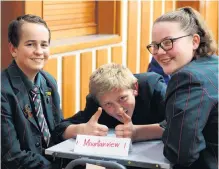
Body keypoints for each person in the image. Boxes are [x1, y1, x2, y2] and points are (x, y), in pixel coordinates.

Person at [146, 6, 218, 169]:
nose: (159, 52)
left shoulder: (187, 78)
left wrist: (169, 137)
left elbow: (180, 153)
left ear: (194, 41)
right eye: (155, 45)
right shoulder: (214, 65)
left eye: (168, 42)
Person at [1, 14, 64, 169]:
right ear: (13, 49)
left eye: (44, 45)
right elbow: (11, 156)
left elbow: (57, 130)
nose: (39, 51)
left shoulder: (48, 81)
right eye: (30, 44)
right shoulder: (2, 91)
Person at [55, 63, 167, 143]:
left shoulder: (153, 88)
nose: (119, 110)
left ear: (135, 87)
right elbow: (60, 129)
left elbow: (180, 123)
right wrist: (81, 130)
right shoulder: (96, 103)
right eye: (108, 104)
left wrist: (138, 133)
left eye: (122, 98)